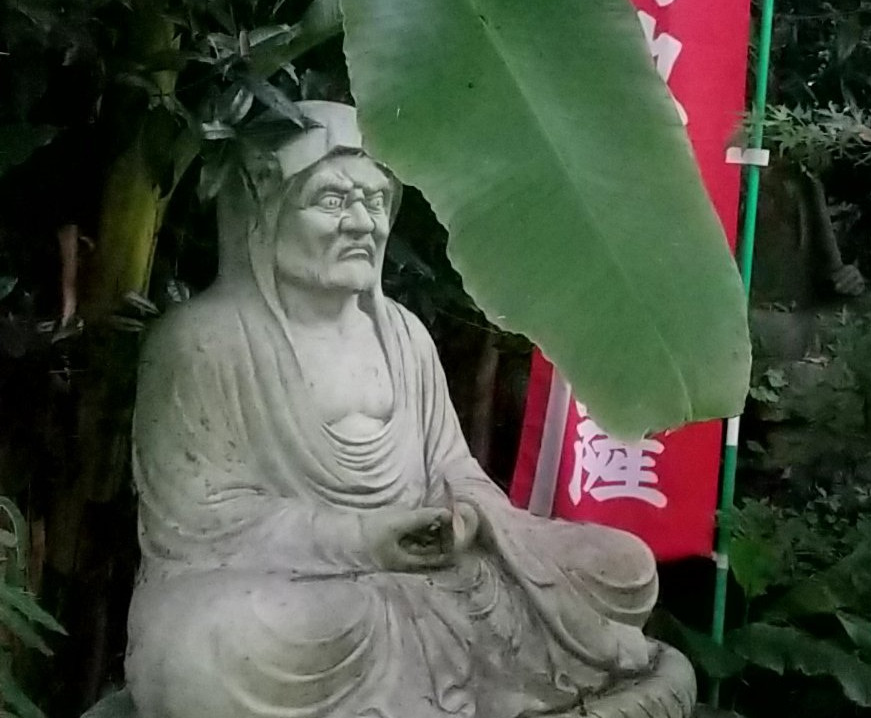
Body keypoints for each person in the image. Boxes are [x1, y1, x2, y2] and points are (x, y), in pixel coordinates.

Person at [124, 101, 694, 718]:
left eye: (375, 202)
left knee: (625, 567)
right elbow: (201, 522)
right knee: (214, 651)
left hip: (433, 568)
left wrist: (463, 518)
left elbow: (451, 466)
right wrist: (365, 539)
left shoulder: (402, 333)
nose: (361, 223)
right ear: (264, 209)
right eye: (333, 200)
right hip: (291, 587)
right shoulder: (206, 341)